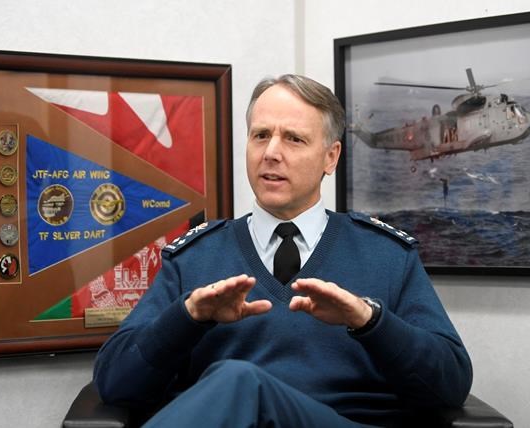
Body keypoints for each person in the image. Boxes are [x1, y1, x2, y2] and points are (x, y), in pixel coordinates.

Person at [93, 74, 472, 427]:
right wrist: (188, 317)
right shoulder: (194, 256)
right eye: (260, 136)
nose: (271, 152)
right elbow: (114, 384)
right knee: (235, 382)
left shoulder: (386, 255)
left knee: (240, 381)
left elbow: (450, 384)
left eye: (294, 139)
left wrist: (369, 321)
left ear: (330, 157)